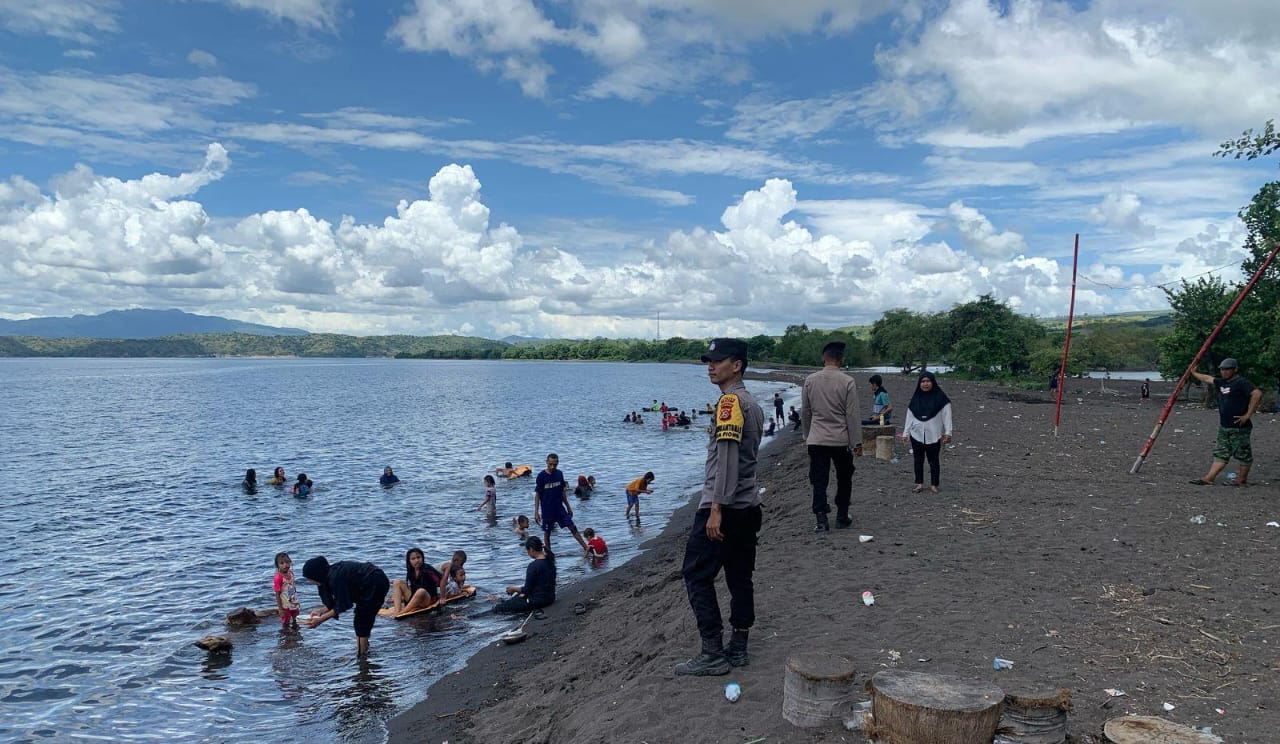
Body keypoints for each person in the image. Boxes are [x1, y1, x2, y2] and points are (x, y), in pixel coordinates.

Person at [676, 337, 764, 676]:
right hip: (748, 504)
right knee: (740, 576)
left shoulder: (730, 402)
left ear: (736, 365)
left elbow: (726, 460)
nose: (711, 367)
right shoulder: (751, 402)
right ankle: (739, 645)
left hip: (724, 507)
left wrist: (716, 509)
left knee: (696, 574)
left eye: (718, 361)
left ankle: (712, 651)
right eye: (709, 362)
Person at [801, 341, 862, 532]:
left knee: (819, 479)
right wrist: (856, 442)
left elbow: (806, 411)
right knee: (844, 477)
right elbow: (852, 414)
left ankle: (821, 519)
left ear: (824, 358)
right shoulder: (847, 381)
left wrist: (807, 434)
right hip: (840, 438)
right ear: (840, 359)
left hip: (817, 438)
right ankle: (842, 515)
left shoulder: (810, 380)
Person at [1189, 358, 1262, 486]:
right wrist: (1194, 373)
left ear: (1235, 369)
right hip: (1224, 426)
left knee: (1243, 454)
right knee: (1221, 453)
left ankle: (1241, 480)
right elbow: (1207, 379)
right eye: (1222, 369)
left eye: (1227, 369)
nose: (1224, 372)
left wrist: (1248, 415)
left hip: (1239, 427)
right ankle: (1209, 478)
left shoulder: (1241, 382)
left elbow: (1257, 394)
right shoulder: (1222, 382)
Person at [302, 556, 391, 658]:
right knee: (362, 619)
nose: (310, 582)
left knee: (362, 619)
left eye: (310, 579)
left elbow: (343, 605)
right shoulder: (328, 574)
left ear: (316, 575)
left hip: (375, 581)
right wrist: (321, 611)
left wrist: (320, 620)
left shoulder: (335, 578)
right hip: (366, 582)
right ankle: (363, 649)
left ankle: (362, 655)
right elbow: (341, 599)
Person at [900, 371, 954, 494]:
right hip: (916, 434)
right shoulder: (916, 399)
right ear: (919, 384)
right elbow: (909, 416)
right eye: (923, 381)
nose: (925, 384)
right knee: (918, 460)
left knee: (934, 461)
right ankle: (919, 484)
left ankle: (934, 484)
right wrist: (905, 433)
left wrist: (948, 432)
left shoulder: (941, 399)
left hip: (934, 435)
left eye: (928, 381)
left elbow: (947, 416)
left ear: (933, 382)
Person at [533, 453, 589, 553]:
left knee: (572, 527)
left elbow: (562, 492)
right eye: (550, 464)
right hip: (547, 510)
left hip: (559, 509)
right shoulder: (541, 476)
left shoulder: (559, 474)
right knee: (547, 533)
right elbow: (537, 494)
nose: (552, 467)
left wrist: (568, 507)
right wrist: (536, 512)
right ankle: (549, 554)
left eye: (555, 465)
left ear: (557, 463)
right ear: (546, 462)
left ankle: (586, 548)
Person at [494, 536, 556, 613]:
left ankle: (495, 602)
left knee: (498, 608)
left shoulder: (533, 566)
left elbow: (526, 589)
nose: (528, 553)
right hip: (550, 598)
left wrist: (513, 589)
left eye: (527, 551)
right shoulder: (550, 561)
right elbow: (542, 585)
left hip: (537, 602)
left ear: (531, 549)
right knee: (516, 598)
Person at [383, 547, 442, 616]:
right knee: (397, 582)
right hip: (415, 598)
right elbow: (414, 586)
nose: (417, 560)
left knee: (421, 591)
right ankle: (397, 611)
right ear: (409, 561)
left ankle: (402, 612)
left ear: (422, 558)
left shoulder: (428, 569)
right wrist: (400, 598)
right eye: (413, 559)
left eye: (418, 557)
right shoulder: (411, 570)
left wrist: (442, 597)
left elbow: (441, 582)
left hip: (427, 600)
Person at [273, 552, 300, 629]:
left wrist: (297, 601)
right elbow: (277, 594)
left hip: (294, 602)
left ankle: (295, 633)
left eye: (287, 562)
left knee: (296, 620)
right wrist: (280, 609)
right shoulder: (278, 578)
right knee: (286, 622)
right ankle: (285, 635)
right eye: (282, 563)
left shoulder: (291, 573)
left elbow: (293, 587)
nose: (285, 565)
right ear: (277, 565)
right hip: (285, 605)